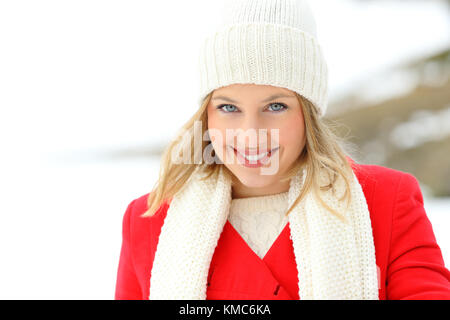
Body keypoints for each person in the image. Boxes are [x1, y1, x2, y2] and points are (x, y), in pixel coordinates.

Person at [114, 0, 450, 300]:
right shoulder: (148, 222)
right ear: (206, 114)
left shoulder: (385, 202)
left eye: (275, 106)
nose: (250, 134)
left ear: (308, 113)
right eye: (229, 108)